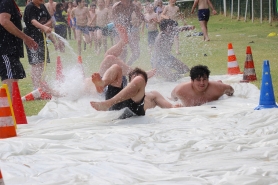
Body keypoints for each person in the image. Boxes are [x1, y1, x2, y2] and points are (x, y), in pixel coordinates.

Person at [90, 65, 181, 118]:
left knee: (138, 80)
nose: (136, 80)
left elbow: (168, 106)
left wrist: (174, 106)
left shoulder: (152, 94)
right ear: (129, 82)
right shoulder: (125, 90)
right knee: (116, 67)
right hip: (118, 104)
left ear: (145, 84)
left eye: (139, 78)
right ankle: (102, 84)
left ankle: (108, 103)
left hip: (135, 109)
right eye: (133, 78)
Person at [0, 0, 38, 96]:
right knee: (9, 78)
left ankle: (11, 108)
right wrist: (25, 37)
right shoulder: (6, 1)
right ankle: (8, 109)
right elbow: (4, 21)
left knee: (14, 78)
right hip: (5, 48)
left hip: (11, 48)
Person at [23, 0, 60, 90]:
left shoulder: (42, 6)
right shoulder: (30, 7)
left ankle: (41, 85)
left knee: (42, 63)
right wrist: (43, 27)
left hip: (41, 38)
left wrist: (45, 27)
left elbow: (50, 19)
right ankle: (36, 88)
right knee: (36, 63)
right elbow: (33, 21)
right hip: (32, 39)